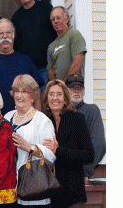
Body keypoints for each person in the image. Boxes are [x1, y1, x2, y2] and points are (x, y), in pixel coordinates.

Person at [4, 74, 56, 207]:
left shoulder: (42, 121)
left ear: (33, 96)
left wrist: (29, 147)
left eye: (24, 91)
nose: (19, 95)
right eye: (17, 91)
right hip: (8, 192)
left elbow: (50, 155)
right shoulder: (7, 117)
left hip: (33, 194)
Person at [41, 79, 94, 208]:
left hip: (73, 194)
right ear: (47, 99)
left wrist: (58, 150)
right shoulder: (43, 121)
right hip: (50, 195)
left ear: (65, 98)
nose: (55, 98)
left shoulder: (77, 119)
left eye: (59, 94)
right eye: (51, 94)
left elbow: (89, 155)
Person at [11, 0, 57, 94]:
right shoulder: (16, 18)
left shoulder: (46, 9)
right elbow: (15, 46)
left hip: (46, 69)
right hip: (26, 71)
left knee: (44, 104)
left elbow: (56, 36)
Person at [0, 18, 43, 115]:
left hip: (24, 119)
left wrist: (36, 119)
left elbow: (37, 93)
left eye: (8, 32)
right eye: (1, 33)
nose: (5, 36)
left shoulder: (25, 60)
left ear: (13, 35)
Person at [65, 74, 106, 178]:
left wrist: (84, 170)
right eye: (73, 88)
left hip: (82, 173)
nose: (77, 91)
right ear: (65, 91)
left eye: (80, 88)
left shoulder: (92, 110)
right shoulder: (59, 112)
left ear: (84, 91)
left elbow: (98, 144)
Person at [47, 6, 87, 82]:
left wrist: (63, 85)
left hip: (74, 87)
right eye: (53, 19)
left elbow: (77, 64)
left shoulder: (74, 35)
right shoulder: (51, 46)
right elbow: (51, 71)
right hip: (59, 91)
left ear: (67, 19)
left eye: (58, 18)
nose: (55, 21)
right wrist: (56, 86)